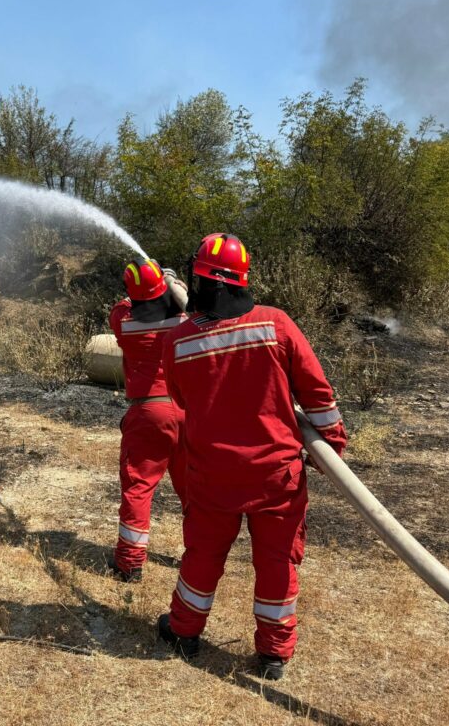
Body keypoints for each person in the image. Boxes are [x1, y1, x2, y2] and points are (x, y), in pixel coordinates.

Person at [156, 233, 347, 680]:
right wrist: (331, 445)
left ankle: (184, 632)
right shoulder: (276, 324)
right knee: (278, 561)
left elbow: (180, 400)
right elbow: (317, 393)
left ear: (211, 284)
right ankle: (274, 654)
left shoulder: (179, 342)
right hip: (276, 477)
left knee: (202, 554)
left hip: (212, 476)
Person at [108, 257, 188, 583]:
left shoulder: (123, 322)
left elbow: (126, 303)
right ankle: (198, 558)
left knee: (139, 488)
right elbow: (185, 301)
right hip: (186, 413)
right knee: (192, 491)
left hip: (149, 412)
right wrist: (169, 280)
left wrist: (145, 280)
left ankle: (130, 563)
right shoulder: (183, 321)